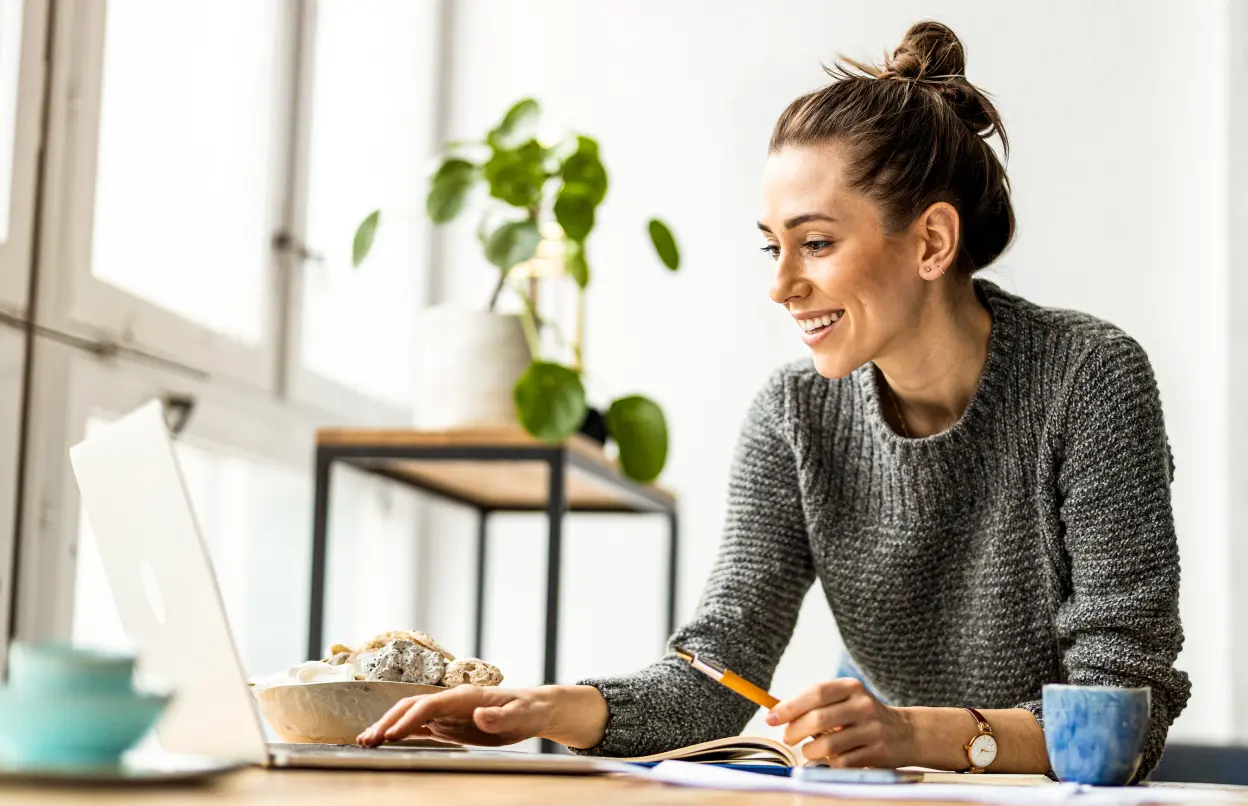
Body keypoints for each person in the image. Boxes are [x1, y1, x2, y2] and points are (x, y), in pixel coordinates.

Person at [358, 20, 1190, 778]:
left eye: (816, 243)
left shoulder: (1090, 379)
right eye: (772, 248)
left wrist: (909, 734)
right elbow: (719, 672)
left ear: (931, 241)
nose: (783, 286)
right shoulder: (795, 415)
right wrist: (549, 709)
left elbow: (1122, 717)